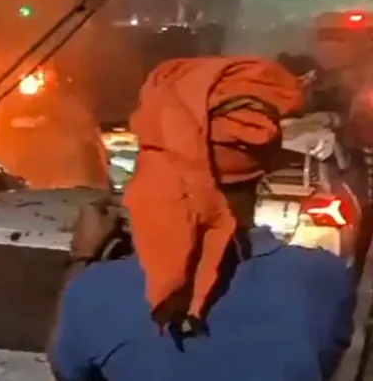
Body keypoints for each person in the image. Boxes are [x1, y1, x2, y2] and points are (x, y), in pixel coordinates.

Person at [50, 56, 356, 381]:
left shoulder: (95, 292)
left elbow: (67, 368)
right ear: (263, 170)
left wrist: (82, 259)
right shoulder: (323, 278)